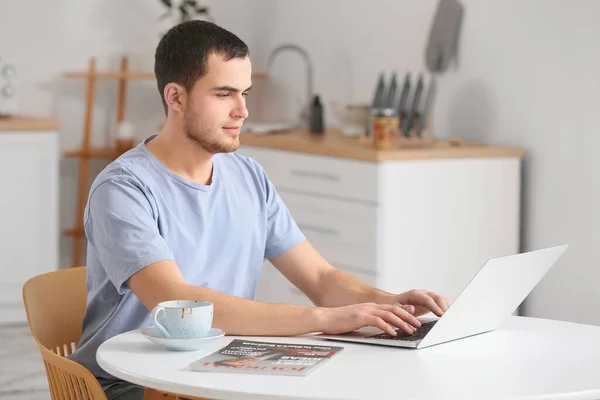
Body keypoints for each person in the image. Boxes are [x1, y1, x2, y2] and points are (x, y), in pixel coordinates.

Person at [68, 20, 451, 400]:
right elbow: (176, 301)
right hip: (133, 385)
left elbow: (319, 277)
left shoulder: (248, 176)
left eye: (244, 93)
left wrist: (386, 303)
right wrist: (325, 320)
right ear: (176, 97)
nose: (243, 111)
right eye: (224, 94)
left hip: (221, 373)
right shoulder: (122, 189)